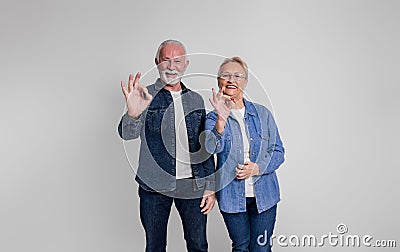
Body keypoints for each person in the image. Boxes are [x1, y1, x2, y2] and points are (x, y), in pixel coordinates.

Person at [118, 39, 216, 252]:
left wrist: (210, 185)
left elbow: (204, 147)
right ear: (157, 62)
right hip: (154, 186)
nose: (172, 66)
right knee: (155, 247)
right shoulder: (144, 95)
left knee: (198, 245)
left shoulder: (196, 100)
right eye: (166, 60)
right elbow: (126, 134)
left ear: (186, 65)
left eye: (178, 61)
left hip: (192, 185)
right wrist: (133, 114)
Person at [204, 57, 285, 251]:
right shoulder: (212, 117)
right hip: (232, 196)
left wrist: (257, 168)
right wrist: (221, 123)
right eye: (226, 75)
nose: (232, 79)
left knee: (261, 248)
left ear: (245, 81)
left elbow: (278, 151)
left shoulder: (262, 114)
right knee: (241, 247)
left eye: (237, 75)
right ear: (218, 81)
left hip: (265, 195)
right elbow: (210, 148)